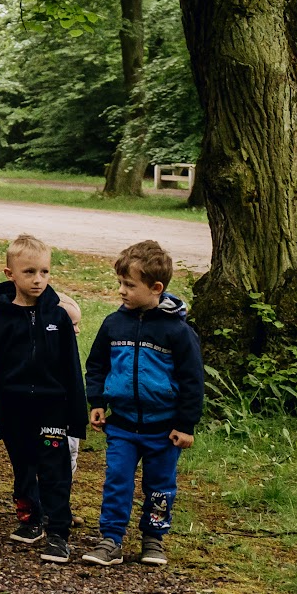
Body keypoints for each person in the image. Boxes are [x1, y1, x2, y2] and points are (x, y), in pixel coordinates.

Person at [82, 239, 203, 567]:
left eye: (129, 285)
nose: (121, 290)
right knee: (117, 481)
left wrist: (185, 425)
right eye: (120, 283)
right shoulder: (113, 324)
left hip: (163, 429)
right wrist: (97, 401)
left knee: (160, 487)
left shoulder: (178, 331)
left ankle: (153, 538)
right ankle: (111, 539)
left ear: (156, 288)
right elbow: (97, 365)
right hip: (122, 425)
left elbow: (192, 380)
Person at [0, 234, 87, 566]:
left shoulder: (58, 318)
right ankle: (30, 519)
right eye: (29, 272)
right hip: (13, 407)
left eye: (44, 272)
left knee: (55, 467)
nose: (38, 279)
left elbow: (72, 368)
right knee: (23, 464)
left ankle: (58, 532)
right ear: (10, 274)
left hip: (52, 407)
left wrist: (76, 415)